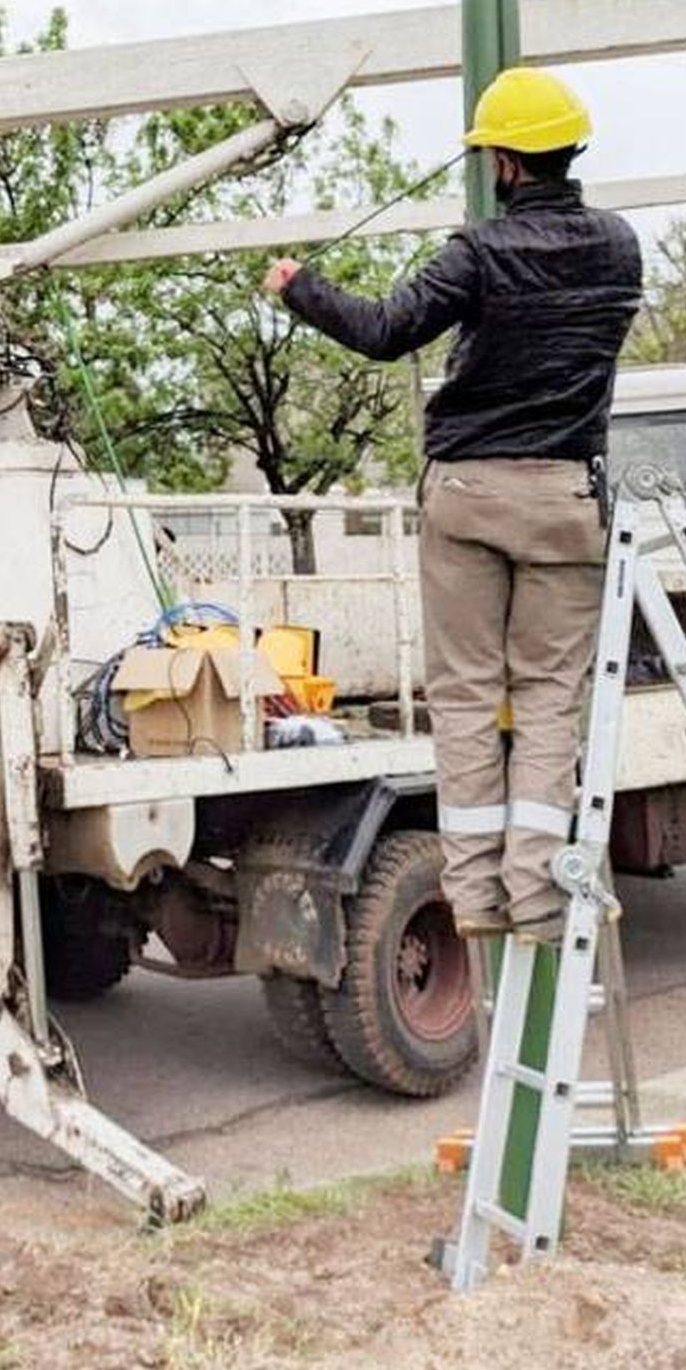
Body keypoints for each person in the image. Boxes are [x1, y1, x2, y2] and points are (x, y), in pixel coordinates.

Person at [265, 66, 643, 944]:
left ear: (504, 161)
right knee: (550, 696)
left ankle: (475, 900)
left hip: (470, 493)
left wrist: (300, 287)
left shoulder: (476, 252)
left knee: (469, 696)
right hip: (566, 495)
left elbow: (385, 329)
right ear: (569, 149)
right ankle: (541, 896)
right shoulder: (621, 246)